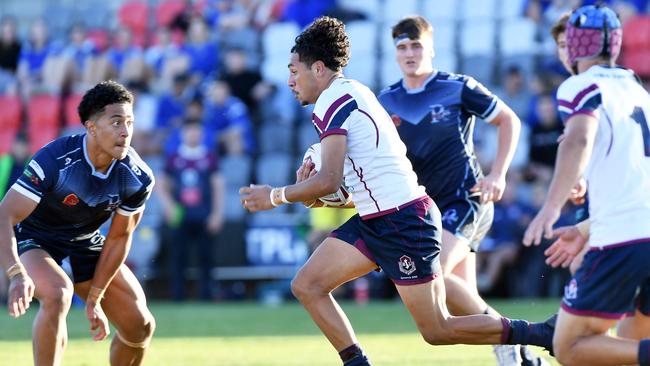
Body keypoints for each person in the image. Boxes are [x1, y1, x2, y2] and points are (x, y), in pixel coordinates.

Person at [240, 16, 554, 366]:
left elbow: (329, 180)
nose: (290, 81)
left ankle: (539, 334)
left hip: (406, 219)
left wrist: (278, 195)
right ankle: (357, 362)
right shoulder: (356, 93)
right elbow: (349, 187)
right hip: (379, 217)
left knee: (438, 330)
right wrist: (313, 194)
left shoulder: (335, 101)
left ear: (318, 68)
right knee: (307, 285)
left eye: (294, 71)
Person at [377, 15, 546, 365]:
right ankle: (519, 348)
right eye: (402, 47)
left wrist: (498, 173)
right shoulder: (386, 100)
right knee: (458, 300)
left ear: (432, 48)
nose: (410, 52)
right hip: (425, 211)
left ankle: (511, 340)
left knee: (429, 272)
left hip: (467, 200)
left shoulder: (457, 87)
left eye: (417, 45)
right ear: (394, 52)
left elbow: (508, 120)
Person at [523, 5, 650, 366]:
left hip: (623, 239)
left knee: (571, 347)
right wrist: (584, 226)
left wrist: (550, 206)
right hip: (639, 231)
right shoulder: (636, 89)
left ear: (576, 46)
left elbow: (579, 140)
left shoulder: (580, 84)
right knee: (624, 352)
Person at [0, 80, 156, 366]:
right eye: (117, 121)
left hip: (85, 239)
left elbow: (119, 238)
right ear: (91, 126)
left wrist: (95, 297)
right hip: (35, 237)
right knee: (59, 294)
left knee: (140, 325)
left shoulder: (137, 177)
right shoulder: (54, 159)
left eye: (130, 122)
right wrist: (16, 274)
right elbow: (3, 217)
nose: (126, 131)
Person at [157, 118, 224, 301]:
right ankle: (178, 297)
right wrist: (169, 205)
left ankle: (206, 296)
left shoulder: (209, 156)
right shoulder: (175, 157)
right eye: (190, 131)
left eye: (197, 131)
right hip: (181, 215)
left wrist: (217, 214)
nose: (193, 134)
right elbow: (161, 183)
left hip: (204, 215)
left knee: (206, 258)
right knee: (179, 257)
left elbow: (218, 185)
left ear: (201, 134)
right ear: (183, 134)